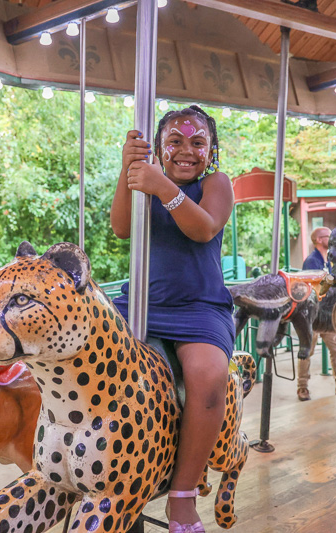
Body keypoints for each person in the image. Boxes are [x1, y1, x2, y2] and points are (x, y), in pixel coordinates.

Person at [111, 106, 235, 533]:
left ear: (211, 149)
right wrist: (128, 169)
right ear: (160, 149)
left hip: (199, 306)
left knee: (207, 373)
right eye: (175, 142)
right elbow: (122, 228)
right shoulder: (145, 179)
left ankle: (182, 493)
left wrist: (162, 186)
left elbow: (203, 229)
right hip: (143, 302)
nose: (186, 150)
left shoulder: (216, 184)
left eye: (197, 142)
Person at [298, 226, 336, 400]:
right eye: (329, 236)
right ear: (319, 240)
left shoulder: (327, 260)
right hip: (313, 314)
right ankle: (302, 387)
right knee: (307, 351)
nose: (332, 238)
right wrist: (333, 280)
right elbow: (316, 288)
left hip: (325, 314)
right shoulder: (312, 261)